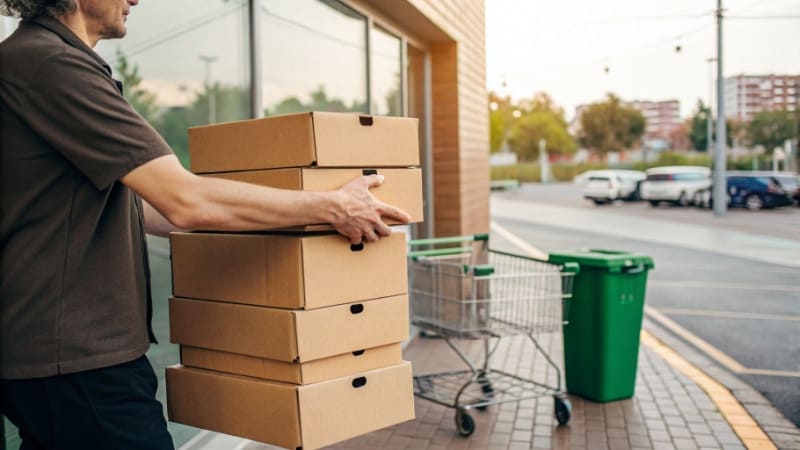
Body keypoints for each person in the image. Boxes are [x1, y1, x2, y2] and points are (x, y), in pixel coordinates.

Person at [0, 0, 411, 448]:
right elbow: (184, 199)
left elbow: (147, 207)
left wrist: (277, 226)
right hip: (77, 362)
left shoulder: (38, 60)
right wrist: (331, 207)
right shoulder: (52, 65)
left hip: (53, 356)